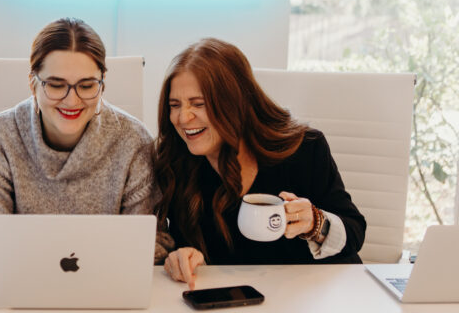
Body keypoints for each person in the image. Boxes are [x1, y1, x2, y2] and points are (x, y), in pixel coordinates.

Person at [0, 17, 172, 265]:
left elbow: (150, 239)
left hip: (107, 290)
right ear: (32, 83)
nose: (72, 101)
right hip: (23, 288)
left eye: (87, 85)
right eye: (57, 85)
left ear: (102, 84)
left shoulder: (134, 141)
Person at [155, 39, 366, 289]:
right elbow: (187, 247)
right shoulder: (178, 163)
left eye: (198, 104)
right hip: (242, 307)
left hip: (316, 300)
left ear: (234, 102)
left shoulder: (304, 147)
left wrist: (315, 223)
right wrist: (184, 257)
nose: (183, 118)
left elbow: (355, 232)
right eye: (174, 105)